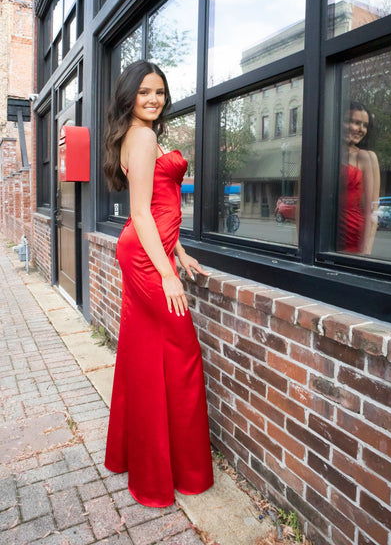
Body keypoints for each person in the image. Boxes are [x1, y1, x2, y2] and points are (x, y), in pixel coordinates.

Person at [103, 60, 214, 507]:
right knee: (183, 356)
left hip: (150, 252)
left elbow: (160, 206)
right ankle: (177, 472)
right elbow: (142, 212)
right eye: (145, 92)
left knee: (145, 357)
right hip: (149, 260)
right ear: (130, 96)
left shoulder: (139, 135)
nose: (154, 100)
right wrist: (167, 272)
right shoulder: (144, 136)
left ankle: (144, 462)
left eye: (160, 93)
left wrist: (179, 251)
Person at [338, 101, 380, 254]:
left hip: (354, 240)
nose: (360, 129)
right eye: (353, 122)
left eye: (364, 125)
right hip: (322, 237)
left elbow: (372, 211)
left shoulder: (366, 157)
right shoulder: (321, 155)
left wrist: (365, 254)